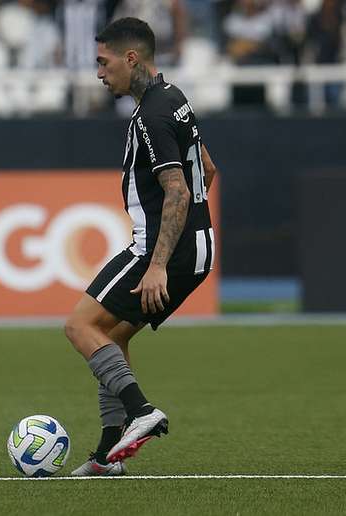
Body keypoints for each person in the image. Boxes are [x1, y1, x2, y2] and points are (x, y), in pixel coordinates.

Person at [66, 17, 219, 476]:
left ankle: (141, 411)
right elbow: (206, 168)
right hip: (198, 246)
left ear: (130, 58)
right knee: (111, 338)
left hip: (164, 250)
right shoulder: (174, 99)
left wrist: (156, 265)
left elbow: (175, 190)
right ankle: (108, 455)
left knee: (79, 327)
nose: (98, 72)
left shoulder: (151, 113)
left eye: (103, 61)